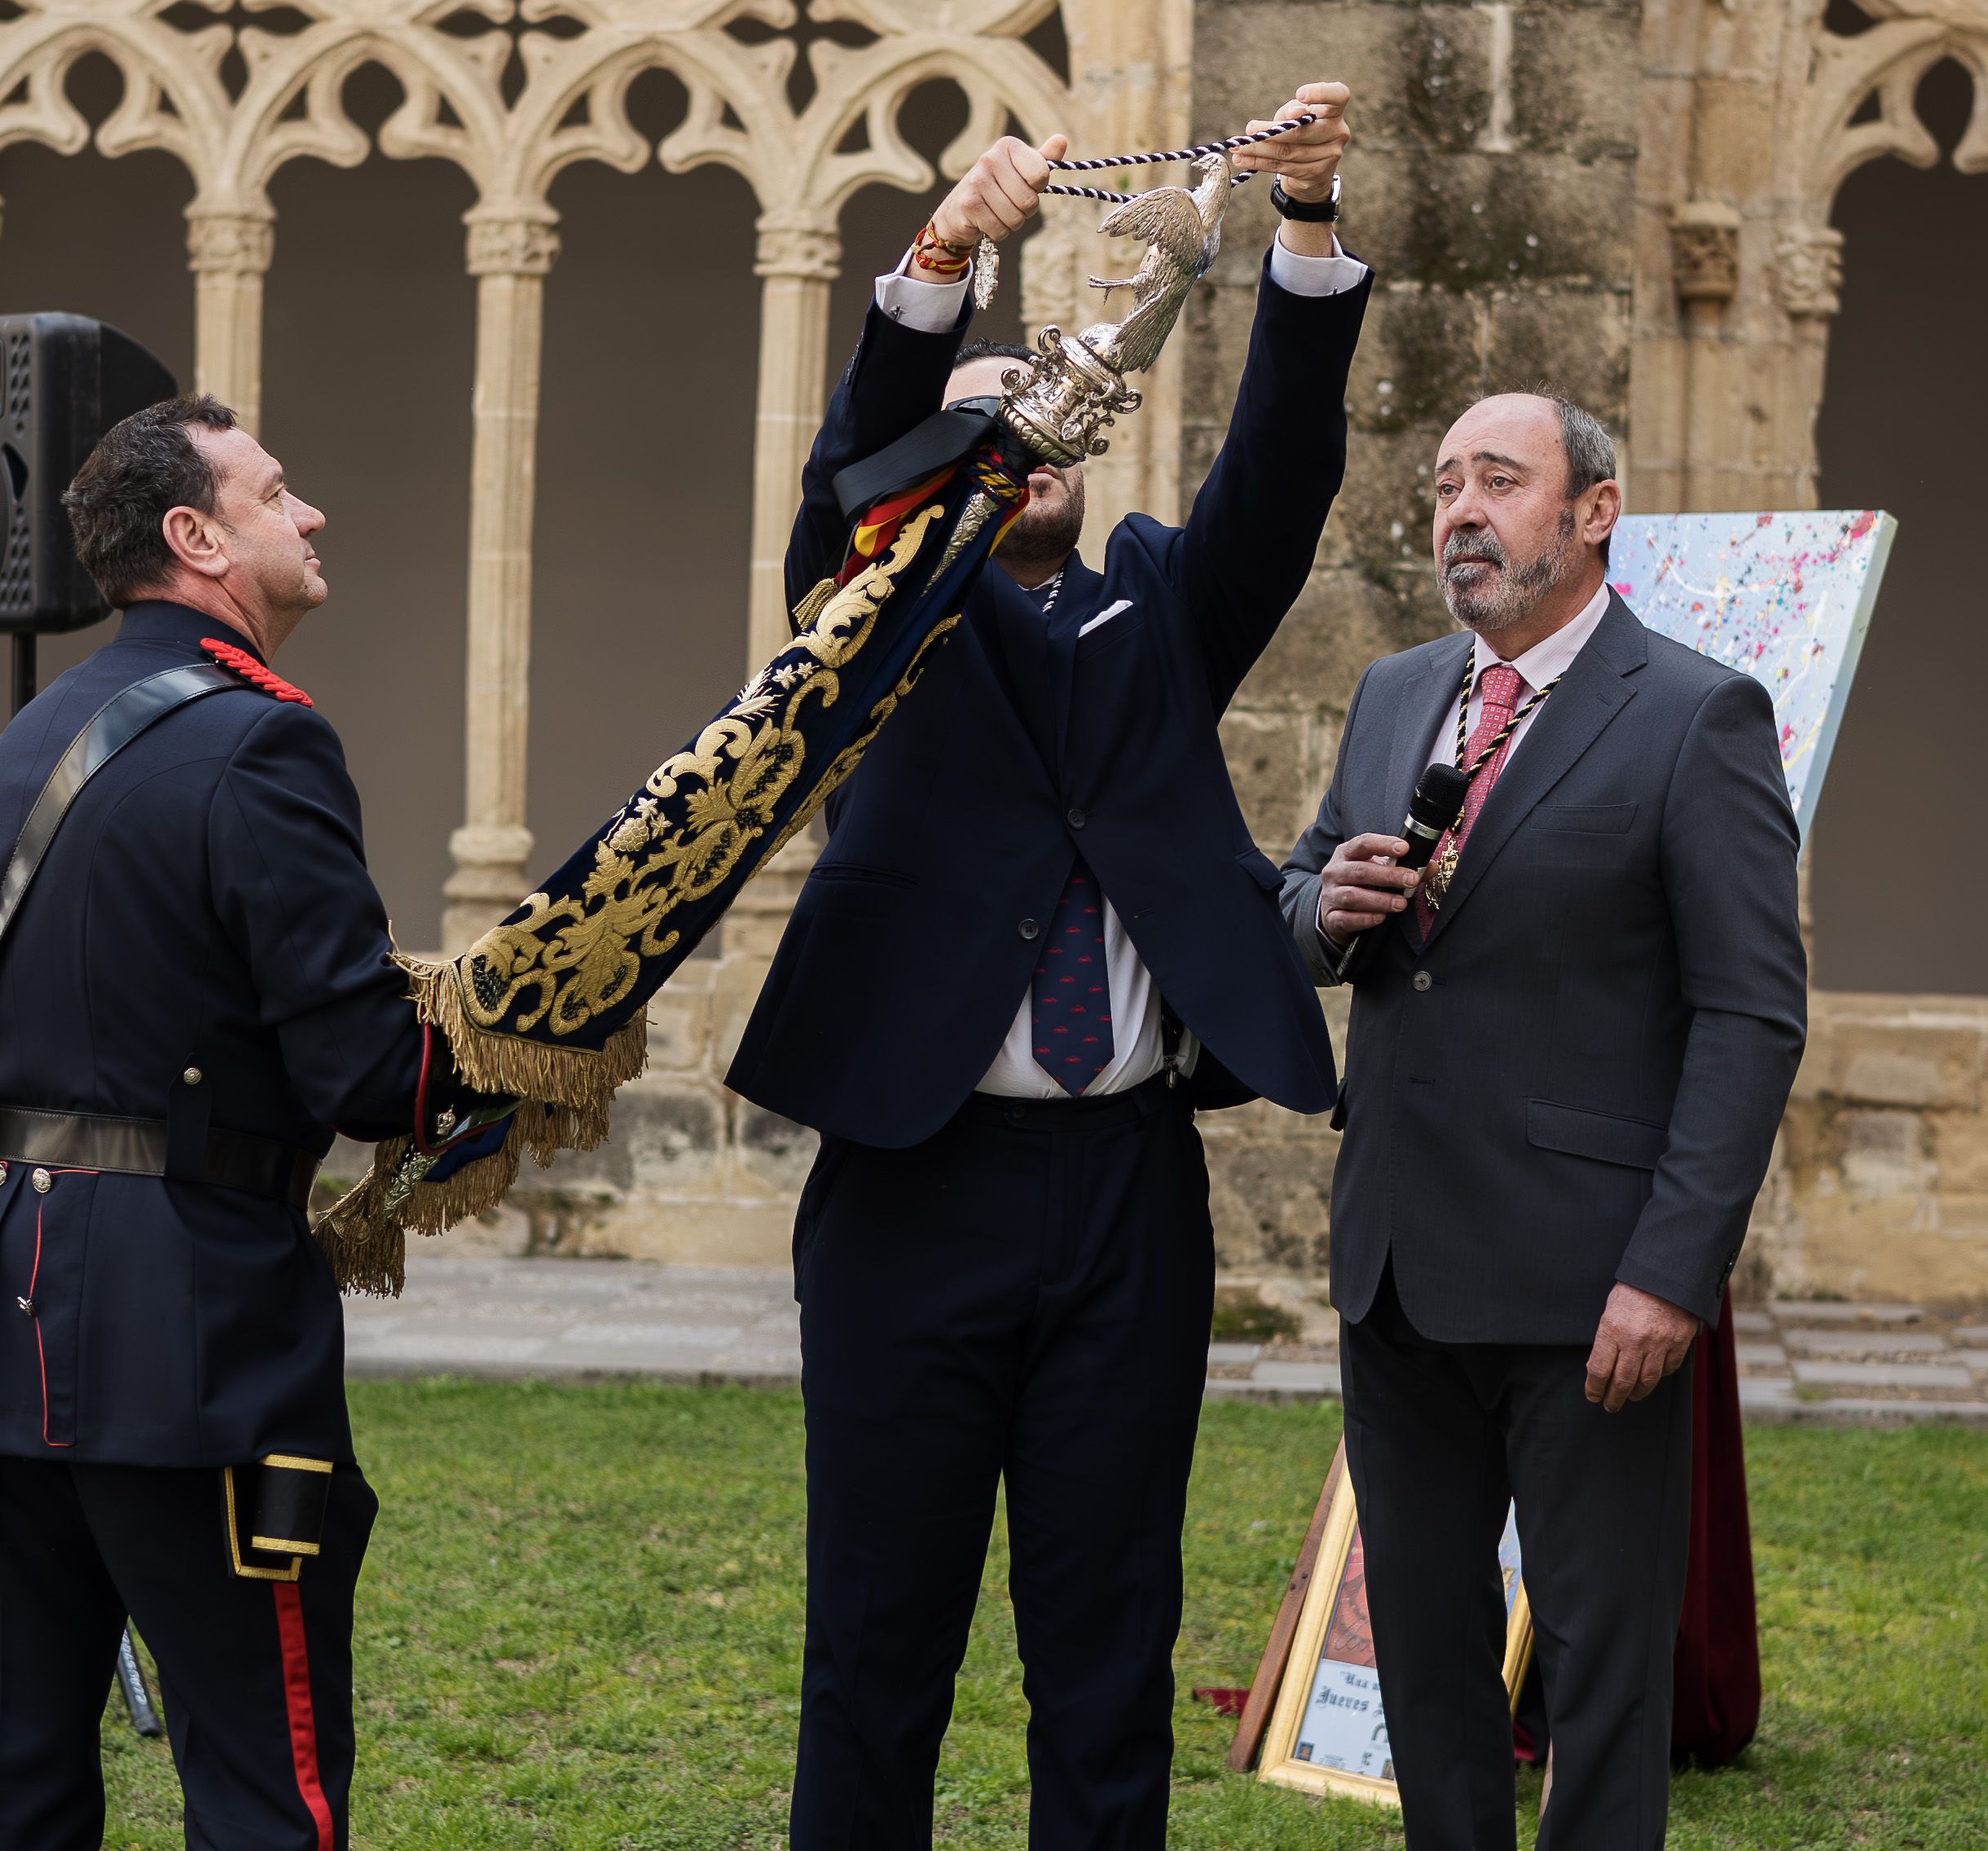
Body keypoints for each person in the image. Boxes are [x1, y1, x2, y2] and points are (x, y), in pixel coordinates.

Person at [722, 83, 1370, 1849]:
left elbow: (1282, 484)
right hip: (914, 1183)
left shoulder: (1159, 603)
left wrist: (1302, 226)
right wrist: (942, 262)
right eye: (988, 412)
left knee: (1107, 1646)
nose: (1031, 418)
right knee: (878, 1641)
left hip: (1127, 1193)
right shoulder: (882, 620)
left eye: (1053, 401)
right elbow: (842, 491)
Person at [0, 395, 503, 1849]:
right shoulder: (265, 746)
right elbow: (363, 1072)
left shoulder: (27, 736)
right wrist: (519, 1043)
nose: (312, 513)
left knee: (14, 1787)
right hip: (185, 1325)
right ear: (196, 536)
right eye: (278, 492)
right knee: (257, 1782)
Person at [1278, 392, 1805, 1850]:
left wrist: (1671, 1273)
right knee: (1433, 1676)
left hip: (1592, 1297)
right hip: (1395, 1272)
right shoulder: (1396, 696)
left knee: (1599, 1676)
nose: (1461, 510)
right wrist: (1321, 911)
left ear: (1593, 512)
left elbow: (1751, 1017)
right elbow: (1300, 886)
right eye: (1446, 483)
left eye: (1500, 481)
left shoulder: (1699, 714)